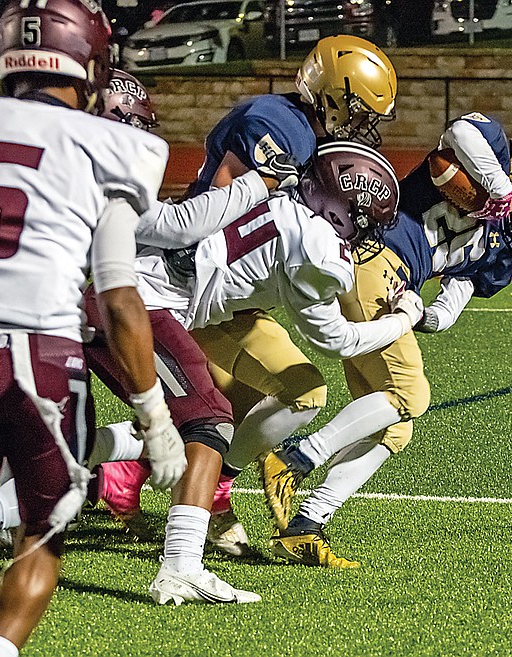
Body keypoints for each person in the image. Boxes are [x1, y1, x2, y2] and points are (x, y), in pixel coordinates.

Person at [0, 1, 188, 656]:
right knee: (41, 535)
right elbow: (118, 300)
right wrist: (154, 417)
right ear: (87, 60)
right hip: (41, 354)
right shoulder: (106, 146)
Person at [95, 34, 401, 557]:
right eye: (357, 108)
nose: (361, 124)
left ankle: (136, 474)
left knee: (239, 403)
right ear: (330, 92)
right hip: (184, 283)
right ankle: (189, 500)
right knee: (233, 407)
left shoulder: (298, 129)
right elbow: (215, 210)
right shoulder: (283, 127)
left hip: (220, 293)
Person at [97, 140, 421, 604]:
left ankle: (9, 503)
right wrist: (402, 318)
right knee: (205, 425)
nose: (365, 235)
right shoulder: (318, 249)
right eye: (364, 222)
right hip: (147, 306)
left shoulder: (282, 192)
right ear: (342, 209)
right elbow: (336, 340)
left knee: (190, 421)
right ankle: (178, 558)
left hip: (144, 285)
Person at [260, 113, 512, 567]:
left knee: (395, 426)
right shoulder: (492, 158)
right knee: (412, 393)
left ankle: (306, 525)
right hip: (374, 255)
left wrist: (419, 313)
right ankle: (296, 458)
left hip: (393, 288)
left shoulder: (500, 249)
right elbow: (460, 132)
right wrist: (497, 187)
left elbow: (449, 308)